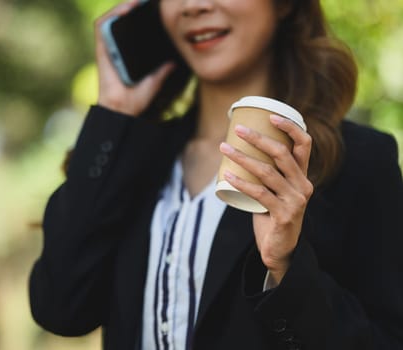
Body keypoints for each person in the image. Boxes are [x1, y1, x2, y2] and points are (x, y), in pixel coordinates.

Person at [28, 0, 403, 349]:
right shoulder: (130, 158)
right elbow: (60, 308)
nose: (195, 6)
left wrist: (285, 268)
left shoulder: (359, 162)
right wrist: (115, 110)